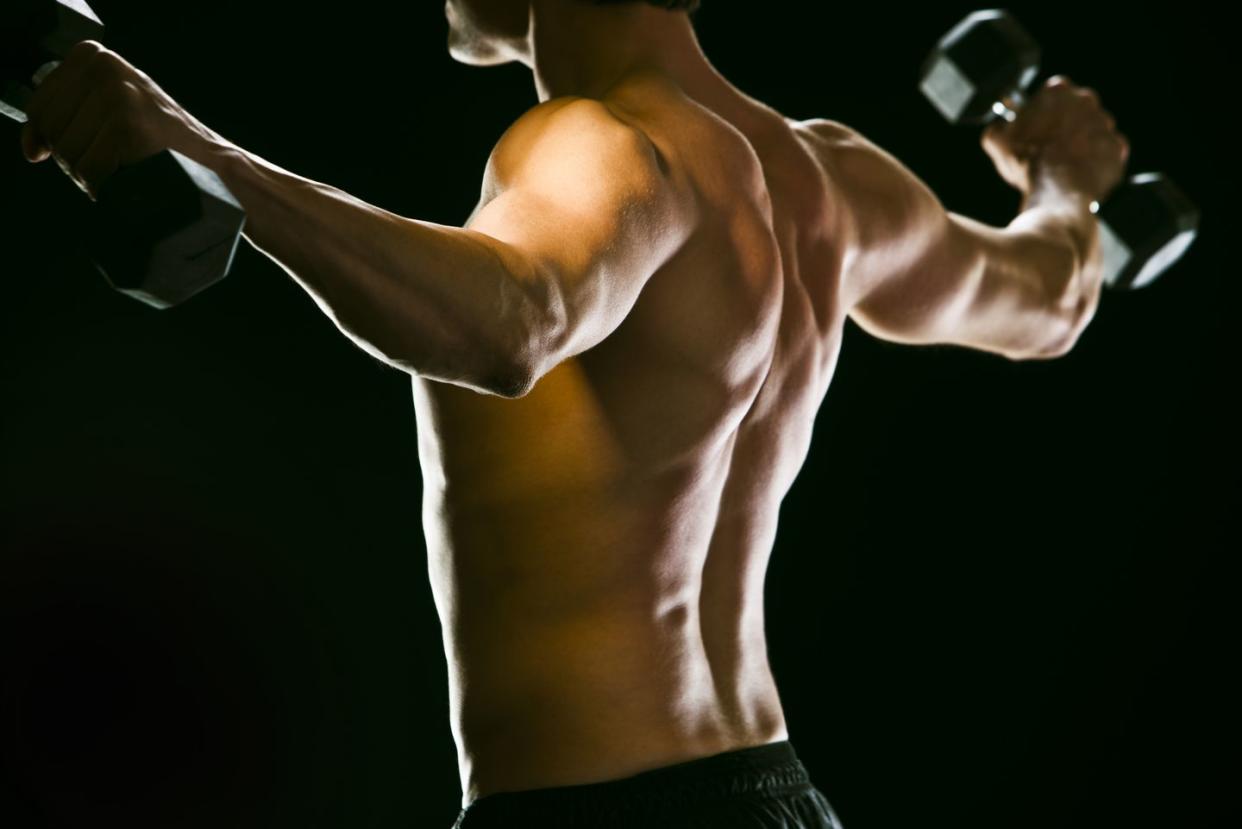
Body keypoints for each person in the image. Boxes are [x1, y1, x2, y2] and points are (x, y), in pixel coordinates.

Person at [19, 0, 1129, 825]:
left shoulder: (598, 142)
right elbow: (1052, 300)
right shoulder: (835, 185)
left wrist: (195, 150)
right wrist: (1062, 188)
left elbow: (519, 317)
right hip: (782, 794)